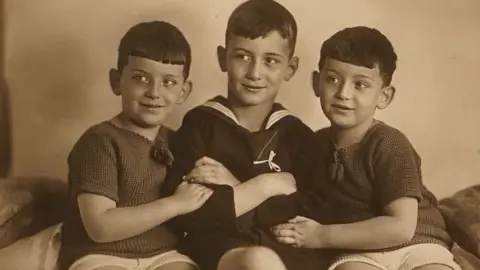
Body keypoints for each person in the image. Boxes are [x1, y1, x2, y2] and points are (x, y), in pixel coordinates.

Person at [271, 26, 461, 270]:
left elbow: (401, 227)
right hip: (358, 251)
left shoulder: (389, 143)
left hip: (418, 242)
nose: (343, 93)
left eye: (360, 85)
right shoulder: (312, 144)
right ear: (316, 83)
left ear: (384, 96)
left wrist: (320, 236)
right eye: (332, 79)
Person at [161, 1, 329, 270]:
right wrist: (265, 186)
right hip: (224, 250)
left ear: (291, 68)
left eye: (271, 61)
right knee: (257, 260)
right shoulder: (201, 124)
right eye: (243, 56)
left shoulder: (298, 136)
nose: (254, 73)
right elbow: (185, 213)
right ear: (222, 57)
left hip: (288, 252)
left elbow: (310, 212)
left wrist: (232, 186)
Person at [58, 21, 211, 270]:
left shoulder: (180, 142)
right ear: (116, 81)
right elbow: (100, 227)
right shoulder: (99, 142)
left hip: (166, 255)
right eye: (141, 78)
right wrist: (174, 204)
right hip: (101, 254)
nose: (154, 92)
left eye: (169, 82)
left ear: (184, 91)